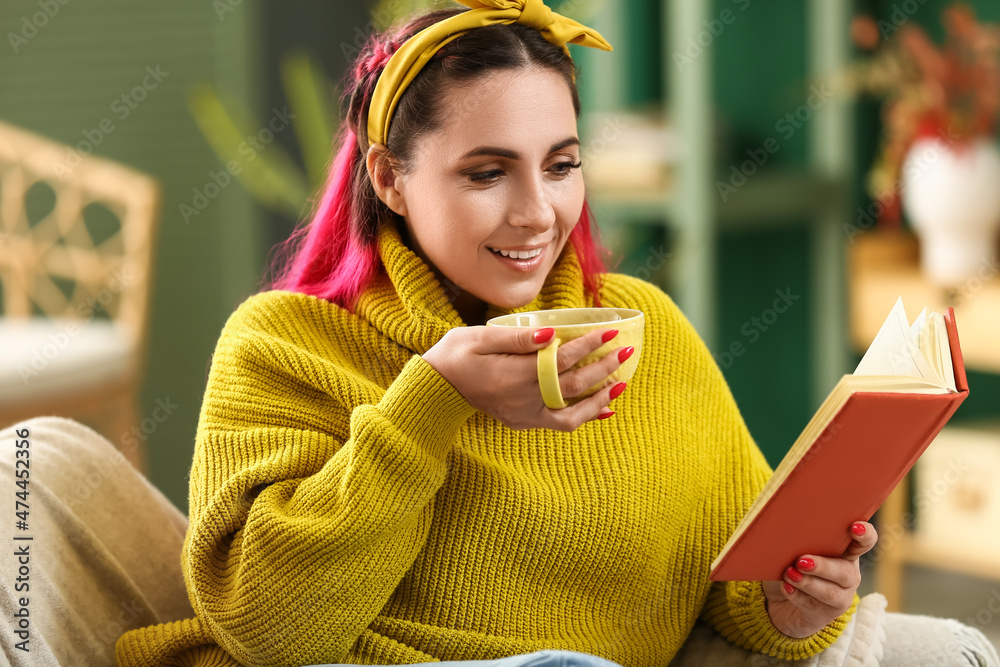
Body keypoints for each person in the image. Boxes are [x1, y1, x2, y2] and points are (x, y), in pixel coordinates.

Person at [105, 1, 885, 665]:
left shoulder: (650, 336)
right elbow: (263, 628)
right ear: (388, 177)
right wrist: (432, 400)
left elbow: (732, 585)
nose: (537, 212)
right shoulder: (280, 343)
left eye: (561, 165)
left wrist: (795, 605)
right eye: (487, 173)